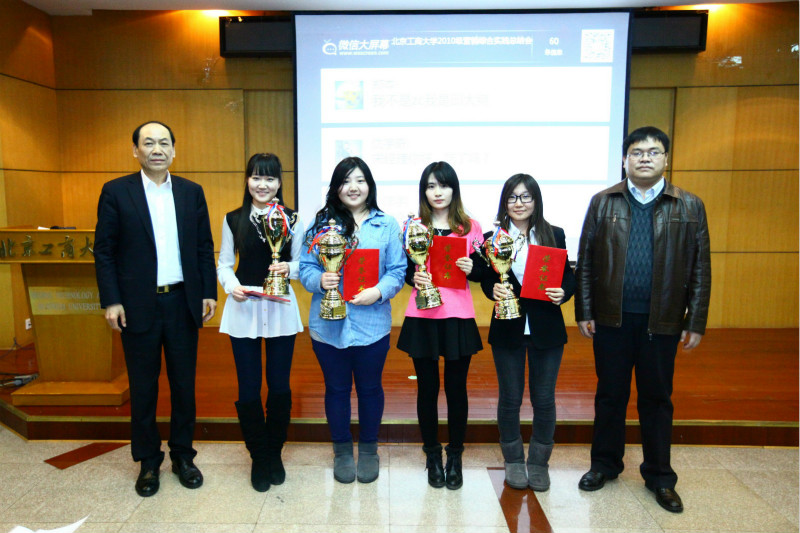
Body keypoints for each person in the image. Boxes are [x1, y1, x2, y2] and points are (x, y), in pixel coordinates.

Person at [575, 126, 711, 513]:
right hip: (612, 319)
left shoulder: (689, 206)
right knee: (610, 395)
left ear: (666, 158)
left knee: (657, 399)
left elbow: (701, 268)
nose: (645, 158)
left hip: (662, 321)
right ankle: (604, 465)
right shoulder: (603, 202)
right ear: (625, 160)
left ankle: (660, 476)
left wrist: (695, 320)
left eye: (653, 152)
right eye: (637, 152)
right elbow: (586, 262)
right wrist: (585, 310)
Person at [94, 121, 217, 497]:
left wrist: (207, 292)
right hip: (136, 305)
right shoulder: (116, 191)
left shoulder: (191, 192)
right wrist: (111, 299)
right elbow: (105, 250)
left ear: (174, 150)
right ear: (136, 150)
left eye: (164, 143)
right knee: (143, 387)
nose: (157, 149)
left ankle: (183, 455)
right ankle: (148, 461)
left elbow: (203, 247)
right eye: (148, 143)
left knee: (183, 385)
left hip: (182, 302)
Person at [299, 157, 405, 484]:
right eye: (346, 181)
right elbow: (306, 268)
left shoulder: (387, 225)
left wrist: (379, 291)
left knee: (370, 388)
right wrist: (320, 280)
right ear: (336, 187)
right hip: (328, 325)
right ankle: (342, 450)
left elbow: (398, 270)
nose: (353, 187)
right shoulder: (319, 225)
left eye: (360, 180)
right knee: (336, 388)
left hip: (372, 324)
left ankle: (369, 449)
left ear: (370, 186)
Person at [478, 174, 575, 492]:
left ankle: (539, 462)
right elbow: (486, 277)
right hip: (508, 326)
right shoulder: (493, 238)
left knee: (544, 398)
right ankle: (514, 460)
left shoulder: (553, 234)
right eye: (512, 197)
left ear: (536, 200)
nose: (519, 203)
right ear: (504, 202)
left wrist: (564, 292)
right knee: (510, 397)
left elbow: (568, 276)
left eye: (526, 196)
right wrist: (492, 289)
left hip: (547, 328)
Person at [217, 153, 304, 493]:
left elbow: (303, 263)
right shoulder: (233, 219)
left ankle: (274, 452)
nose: (262, 184)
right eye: (256, 177)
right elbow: (225, 263)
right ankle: (258, 455)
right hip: (244, 308)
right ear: (247, 180)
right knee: (248, 387)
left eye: (269, 178)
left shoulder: (293, 219)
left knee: (279, 385)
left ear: (279, 183)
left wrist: (289, 269)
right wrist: (231, 286)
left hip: (281, 309)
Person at [396, 162, 484, 490]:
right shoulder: (413, 225)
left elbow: (482, 272)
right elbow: (406, 270)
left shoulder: (470, 227)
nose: (437, 192)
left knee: (457, 389)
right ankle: (432, 455)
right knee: (427, 388)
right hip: (423, 316)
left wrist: (473, 267)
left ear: (453, 190)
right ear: (424, 191)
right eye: (431, 186)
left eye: (443, 185)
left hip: (458, 316)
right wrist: (414, 277)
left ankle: (455, 456)